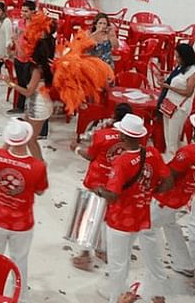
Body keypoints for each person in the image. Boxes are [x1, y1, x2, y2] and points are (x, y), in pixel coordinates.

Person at [96, 114, 172, 303]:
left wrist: (99, 190)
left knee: (118, 264)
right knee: (129, 256)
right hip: (141, 216)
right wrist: (151, 191)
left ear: (122, 137)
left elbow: (113, 195)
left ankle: (116, 298)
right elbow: (168, 180)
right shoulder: (152, 153)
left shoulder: (121, 163)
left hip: (120, 220)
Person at [140, 110, 195, 281]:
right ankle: (184, 264)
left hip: (167, 197)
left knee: (146, 227)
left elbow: (170, 174)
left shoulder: (187, 152)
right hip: (184, 196)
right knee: (171, 225)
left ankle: (156, 272)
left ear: (194, 130)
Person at [0, 118, 48, 303]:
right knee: (19, 260)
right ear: (28, 138)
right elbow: (40, 190)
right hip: (21, 223)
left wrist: (8, 141)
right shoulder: (37, 166)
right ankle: (20, 298)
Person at [71, 103, 132, 270]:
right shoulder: (134, 138)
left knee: (91, 216)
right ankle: (103, 249)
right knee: (107, 216)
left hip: (97, 180)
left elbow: (90, 156)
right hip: (116, 182)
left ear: (114, 116)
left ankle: (84, 254)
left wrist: (76, 149)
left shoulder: (102, 135)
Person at [4, 24, 55, 160]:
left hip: (39, 106)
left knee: (31, 140)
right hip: (35, 103)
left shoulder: (37, 70)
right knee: (27, 135)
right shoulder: (44, 65)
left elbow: (28, 92)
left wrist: (11, 83)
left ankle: (40, 167)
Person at [157, 43, 195, 159]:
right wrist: (163, 81)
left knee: (173, 135)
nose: (176, 59)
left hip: (180, 108)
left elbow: (188, 92)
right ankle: (169, 155)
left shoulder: (194, 72)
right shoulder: (180, 67)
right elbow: (172, 80)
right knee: (167, 133)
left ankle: (173, 158)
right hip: (169, 104)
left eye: (178, 57)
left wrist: (169, 87)